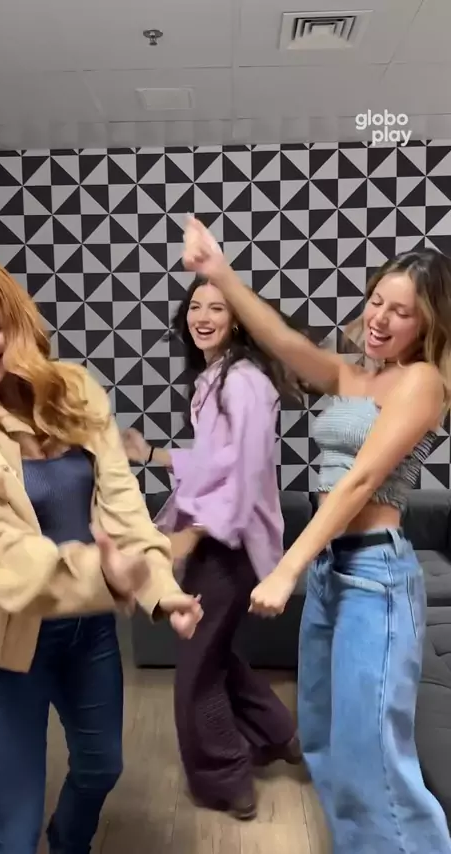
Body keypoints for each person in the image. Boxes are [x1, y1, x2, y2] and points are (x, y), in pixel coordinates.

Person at [180, 216, 451, 853]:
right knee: (326, 741)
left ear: (429, 323)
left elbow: (361, 483)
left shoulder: (423, 383)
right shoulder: (356, 373)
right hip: (335, 572)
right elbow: (280, 339)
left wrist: (286, 568)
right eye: (377, 301)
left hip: (376, 578)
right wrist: (220, 273)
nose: (380, 318)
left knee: (374, 758)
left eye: (401, 312)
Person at [0, 258, 203, 854]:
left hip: (89, 631)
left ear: (19, 320)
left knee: (102, 766)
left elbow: (122, 502)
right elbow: (3, 554)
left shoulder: (73, 390)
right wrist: (104, 573)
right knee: (11, 832)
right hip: (3, 642)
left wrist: (161, 588)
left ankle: (69, 844)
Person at [122, 274, 302, 820]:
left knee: (198, 665)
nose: (202, 316)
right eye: (195, 306)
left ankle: (227, 778)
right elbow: (216, 460)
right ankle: (277, 732)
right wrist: (151, 453)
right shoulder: (218, 377)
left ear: (238, 319)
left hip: (230, 542)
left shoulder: (242, 382)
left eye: (217, 308)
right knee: (214, 649)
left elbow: (244, 474)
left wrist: (192, 533)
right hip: (223, 538)